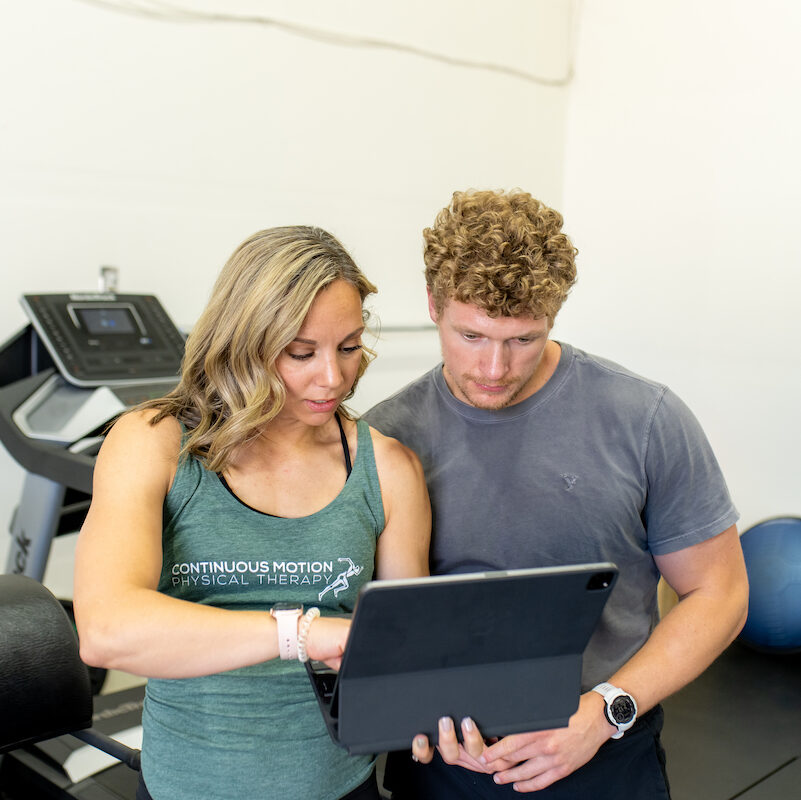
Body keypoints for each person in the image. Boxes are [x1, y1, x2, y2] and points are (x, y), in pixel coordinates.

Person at [364, 190, 749, 799]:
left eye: (523, 339)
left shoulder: (644, 418)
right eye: (471, 335)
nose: (494, 368)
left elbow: (719, 592)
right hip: (443, 762)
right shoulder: (385, 437)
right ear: (433, 306)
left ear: (554, 313)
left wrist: (606, 710)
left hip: (604, 744)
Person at [73, 226, 431, 800]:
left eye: (348, 346)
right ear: (243, 341)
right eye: (301, 353)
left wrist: (436, 708)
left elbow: (409, 652)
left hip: (341, 788)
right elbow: (105, 631)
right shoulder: (153, 442)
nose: (333, 377)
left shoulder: (388, 469)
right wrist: (299, 634)